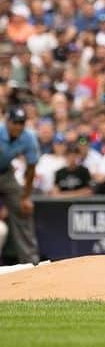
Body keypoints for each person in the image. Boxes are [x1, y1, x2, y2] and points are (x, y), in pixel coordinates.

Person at [0, 106, 40, 264]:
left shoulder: (28, 137)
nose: (18, 126)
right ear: (7, 121)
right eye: (15, 122)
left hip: (6, 173)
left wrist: (26, 197)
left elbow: (31, 169)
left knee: (23, 209)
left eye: (21, 123)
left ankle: (30, 262)